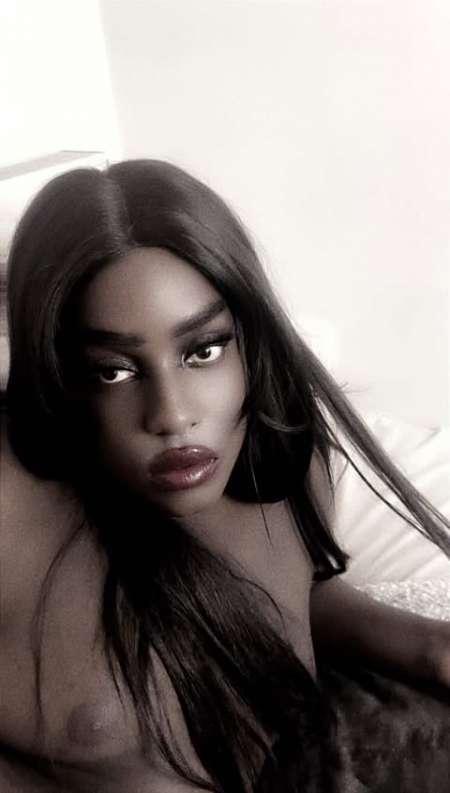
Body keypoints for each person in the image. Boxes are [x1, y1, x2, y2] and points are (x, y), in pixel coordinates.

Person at [1, 159, 449, 793]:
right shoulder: (11, 502)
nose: (173, 415)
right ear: (57, 372)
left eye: (203, 350)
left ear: (249, 341)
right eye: (113, 370)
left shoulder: (279, 453)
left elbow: (283, 594)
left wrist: (430, 648)